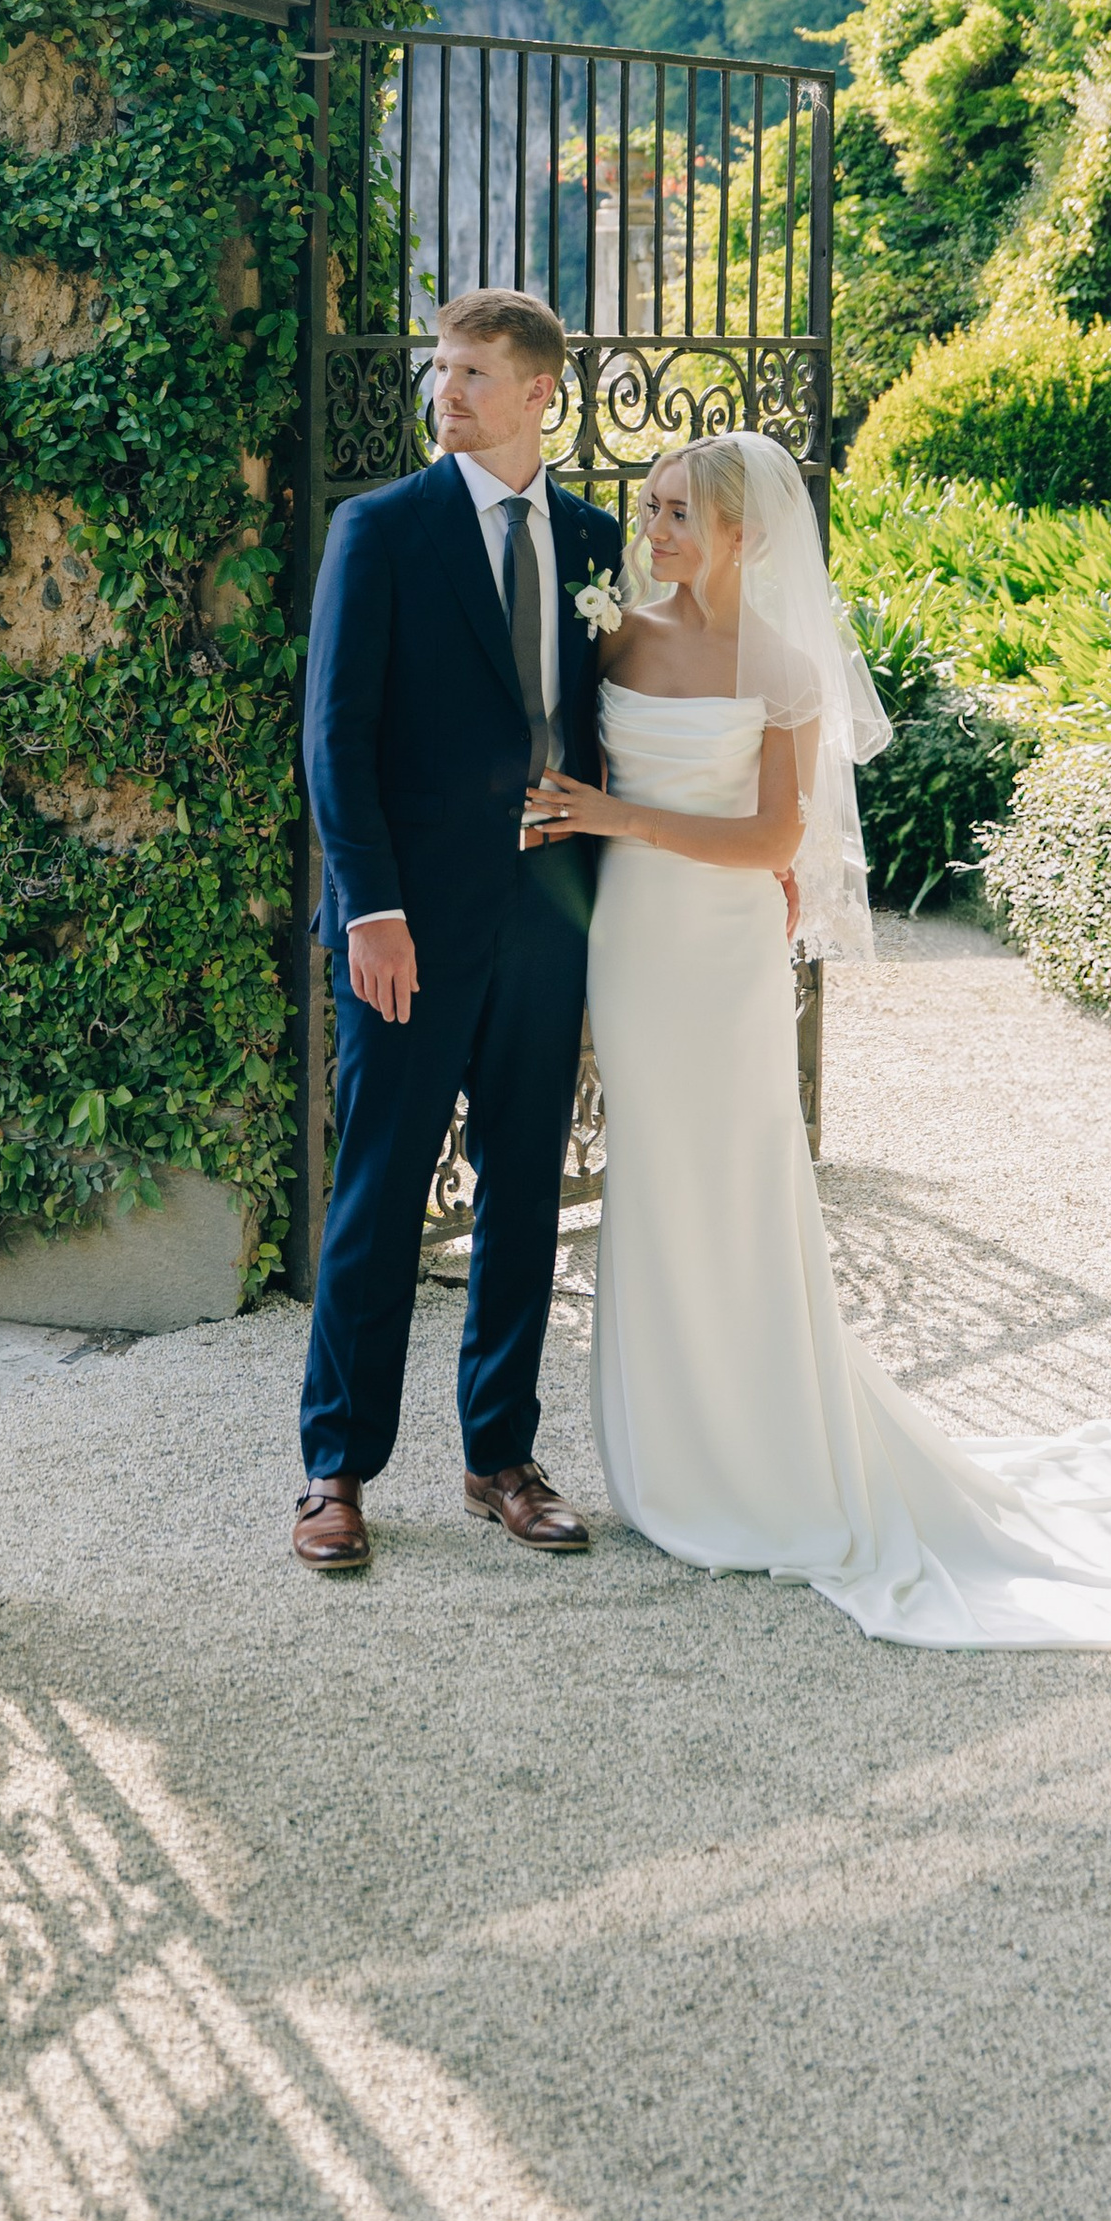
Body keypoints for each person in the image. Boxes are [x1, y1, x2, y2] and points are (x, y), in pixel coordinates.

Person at [523, 429, 1111, 1646]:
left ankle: (761, 1457)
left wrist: (619, 813)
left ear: (742, 534)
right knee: (655, 1181)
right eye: (649, 505)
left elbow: (775, 842)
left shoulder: (779, 667)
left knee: (741, 1185)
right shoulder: (617, 630)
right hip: (631, 946)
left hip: (718, 952)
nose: (651, 528)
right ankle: (669, 1452)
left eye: (676, 513)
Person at [291, 289, 624, 1571]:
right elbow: (336, 739)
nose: (449, 389)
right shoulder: (378, 529)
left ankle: (501, 1456)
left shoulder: (595, 540)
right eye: (443, 367)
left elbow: (611, 729)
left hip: (547, 920)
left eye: (476, 370)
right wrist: (369, 909)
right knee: (376, 1194)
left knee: (527, 1190)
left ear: (540, 391)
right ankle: (335, 1469)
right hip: (405, 931)